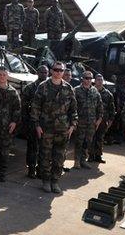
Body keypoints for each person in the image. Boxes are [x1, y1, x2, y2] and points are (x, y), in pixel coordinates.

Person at [31, 61, 78, 194]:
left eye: (61, 70)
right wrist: (37, 125)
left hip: (63, 130)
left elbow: (74, 110)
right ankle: (46, 181)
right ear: (51, 71)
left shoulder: (68, 88)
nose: (58, 72)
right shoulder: (43, 87)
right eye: (56, 70)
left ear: (63, 72)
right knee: (45, 156)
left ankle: (55, 181)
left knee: (59, 157)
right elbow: (35, 107)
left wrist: (72, 126)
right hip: (46, 129)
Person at [21, 65, 49, 178]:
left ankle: (41, 170)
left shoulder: (50, 87)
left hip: (47, 123)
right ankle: (31, 169)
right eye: (42, 72)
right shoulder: (30, 88)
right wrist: (26, 122)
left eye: (46, 72)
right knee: (32, 148)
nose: (44, 74)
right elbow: (23, 106)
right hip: (33, 122)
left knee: (45, 148)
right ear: (37, 73)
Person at [73, 71, 103, 169]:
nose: (88, 80)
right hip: (80, 121)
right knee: (79, 141)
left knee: (88, 141)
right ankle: (77, 161)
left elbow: (100, 106)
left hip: (91, 122)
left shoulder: (95, 91)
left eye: (90, 78)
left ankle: (83, 160)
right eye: (86, 78)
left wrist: (99, 119)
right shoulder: (76, 90)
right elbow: (72, 106)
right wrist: (73, 121)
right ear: (82, 78)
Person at [90, 74, 115, 163]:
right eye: (98, 79)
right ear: (95, 81)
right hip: (91, 119)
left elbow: (112, 108)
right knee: (91, 138)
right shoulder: (90, 91)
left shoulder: (108, 94)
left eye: (101, 80)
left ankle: (98, 156)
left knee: (100, 138)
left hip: (103, 120)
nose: (99, 81)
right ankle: (90, 156)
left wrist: (110, 121)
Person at [109, 75, 125, 145]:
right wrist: (118, 107)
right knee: (121, 124)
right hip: (122, 108)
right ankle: (120, 139)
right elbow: (118, 98)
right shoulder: (121, 87)